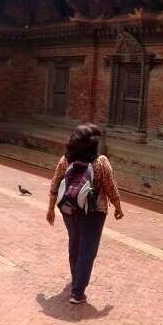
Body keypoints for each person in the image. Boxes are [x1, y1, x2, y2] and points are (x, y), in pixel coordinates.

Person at [46, 123, 124, 304]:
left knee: (75, 244)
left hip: (69, 209)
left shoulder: (65, 160)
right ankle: (78, 291)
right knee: (87, 250)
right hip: (94, 212)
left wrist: (50, 209)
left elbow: (55, 185)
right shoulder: (100, 162)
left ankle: (76, 281)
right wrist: (118, 207)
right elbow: (110, 187)